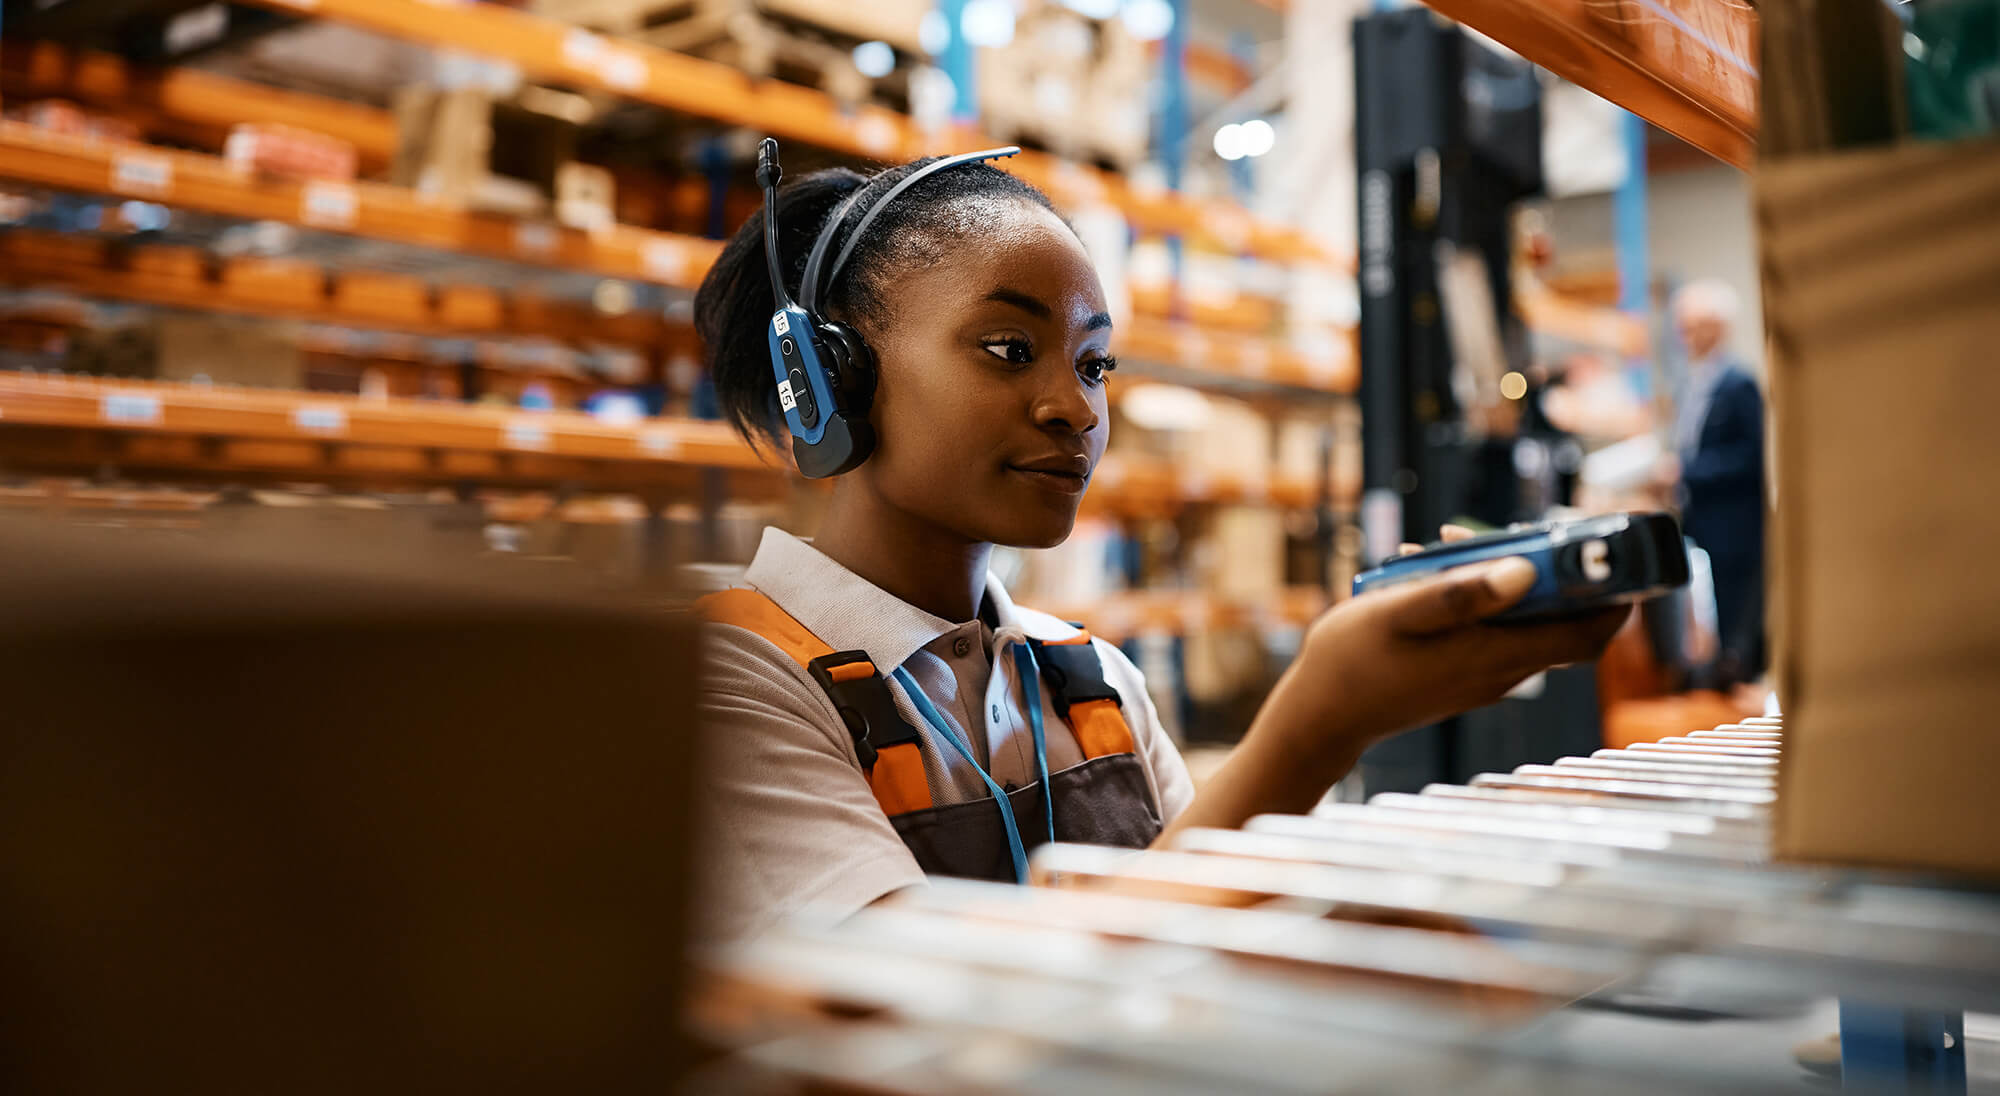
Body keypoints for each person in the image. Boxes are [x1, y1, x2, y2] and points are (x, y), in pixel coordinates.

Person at [693, 146, 1626, 941]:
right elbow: (914, 1013)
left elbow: (1203, 933)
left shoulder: (1089, 681)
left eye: (1094, 363)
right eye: (1010, 350)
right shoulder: (722, 684)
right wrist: (1316, 728)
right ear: (829, 380)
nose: (1077, 408)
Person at [1658, 280, 1765, 684]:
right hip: (1698, 519)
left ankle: (1735, 683)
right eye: (1682, 327)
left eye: (1694, 326)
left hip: (1733, 525)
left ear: (1718, 327)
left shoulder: (1739, 384)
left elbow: (1753, 458)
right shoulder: (1691, 383)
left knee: (1734, 614)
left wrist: (1688, 472)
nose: (1685, 336)